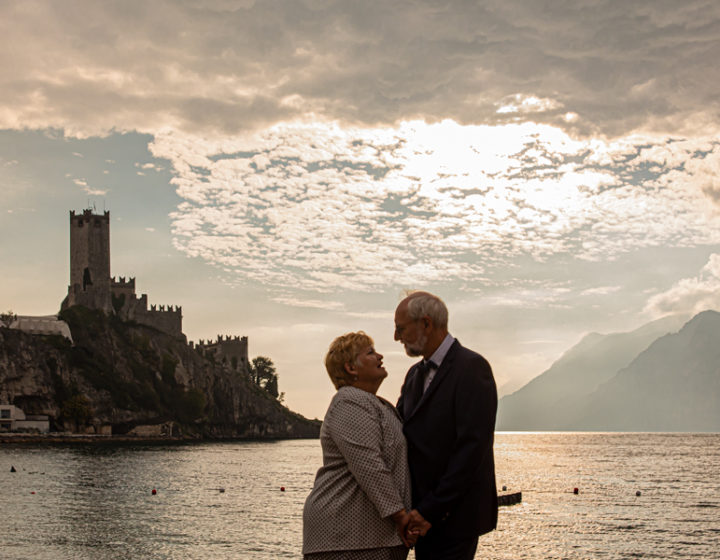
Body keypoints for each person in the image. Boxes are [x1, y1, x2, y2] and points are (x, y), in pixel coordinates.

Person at [303, 331, 429, 560]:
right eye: (370, 352)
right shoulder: (349, 401)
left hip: (367, 537)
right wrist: (401, 516)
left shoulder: (376, 404)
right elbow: (368, 464)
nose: (380, 356)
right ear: (351, 368)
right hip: (345, 537)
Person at [395, 292, 498, 560]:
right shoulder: (414, 375)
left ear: (426, 324)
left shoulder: (472, 367)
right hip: (421, 519)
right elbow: (399, 429)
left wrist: (431, 510)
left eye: (401, 328)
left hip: (455, 518)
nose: (396, 337)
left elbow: (472, 449)